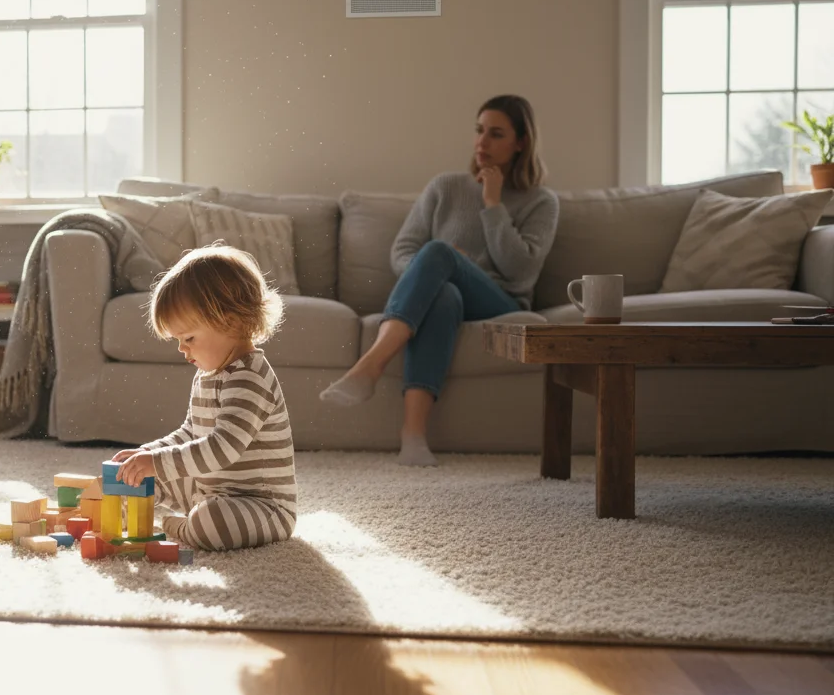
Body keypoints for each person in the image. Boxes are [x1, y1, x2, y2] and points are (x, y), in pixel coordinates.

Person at [319, 94, 559, 467]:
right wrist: (443, 268)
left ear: (521, 142)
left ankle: (372, 364)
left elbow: (520, 271)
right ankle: (413, 439)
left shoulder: (541, 201)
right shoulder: (445, 187)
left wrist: (493, 205)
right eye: (479, 131)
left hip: (500, 302)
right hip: (447, 299)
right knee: (443, 290)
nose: (481, 142)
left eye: (496, 134)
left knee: (438, 252)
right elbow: (401, 252)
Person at [111, 244, 296, 551]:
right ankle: (148, 511)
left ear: (232, 321)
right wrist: (147, 453)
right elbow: (190, 433)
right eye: (178, 340)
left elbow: (222, 448)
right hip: (210, 489)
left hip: (261, 507)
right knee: (139, 477)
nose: (182, 349)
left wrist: (157, 462)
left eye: (189, 338)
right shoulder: (208, 374)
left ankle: (173, 524)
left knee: (213, 522)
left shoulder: (250, 377)